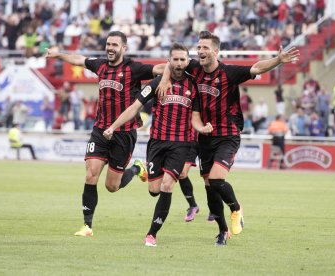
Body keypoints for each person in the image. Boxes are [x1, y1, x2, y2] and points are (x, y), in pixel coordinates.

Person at [157, 31, 299, 245]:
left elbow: (257, 68)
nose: (200, 51)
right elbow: (169, 65)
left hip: (227, 135)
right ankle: (223, 231)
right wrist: (166, 79)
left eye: (205, 47)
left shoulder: (229, 73)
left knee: (216, 179)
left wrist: (278, 60)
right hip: (204, 136)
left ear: (216, 51)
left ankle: (236, 208)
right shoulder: (193, 67)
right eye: (199, 47)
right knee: (209, 186)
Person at [45, 31, 165, 237]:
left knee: (112, 186)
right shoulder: (99, 65)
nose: (110, 48)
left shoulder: (133, 68)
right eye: (108, 44)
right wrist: (58, 55)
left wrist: (176, 70)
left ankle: (136, 169)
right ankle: (87, 226)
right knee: (91, 174)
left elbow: (161, 68)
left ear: (124, 48)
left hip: (124, 134)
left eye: (115, 45)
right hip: (100, 130)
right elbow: (78, 60)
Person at [103, 43, 213, 247]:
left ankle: (151, 234)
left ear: (188, 61)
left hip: (181, 144)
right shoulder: (155, 84)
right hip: (156, 143)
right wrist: (113, 127)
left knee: (167, 185)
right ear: (169, 61)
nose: (179, 63)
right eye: (175, 59)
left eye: (183, 59)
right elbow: (134, 107)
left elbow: (195, 118)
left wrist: (201, 129)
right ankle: (140, 168)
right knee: (154, 190)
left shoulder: (194, 86)